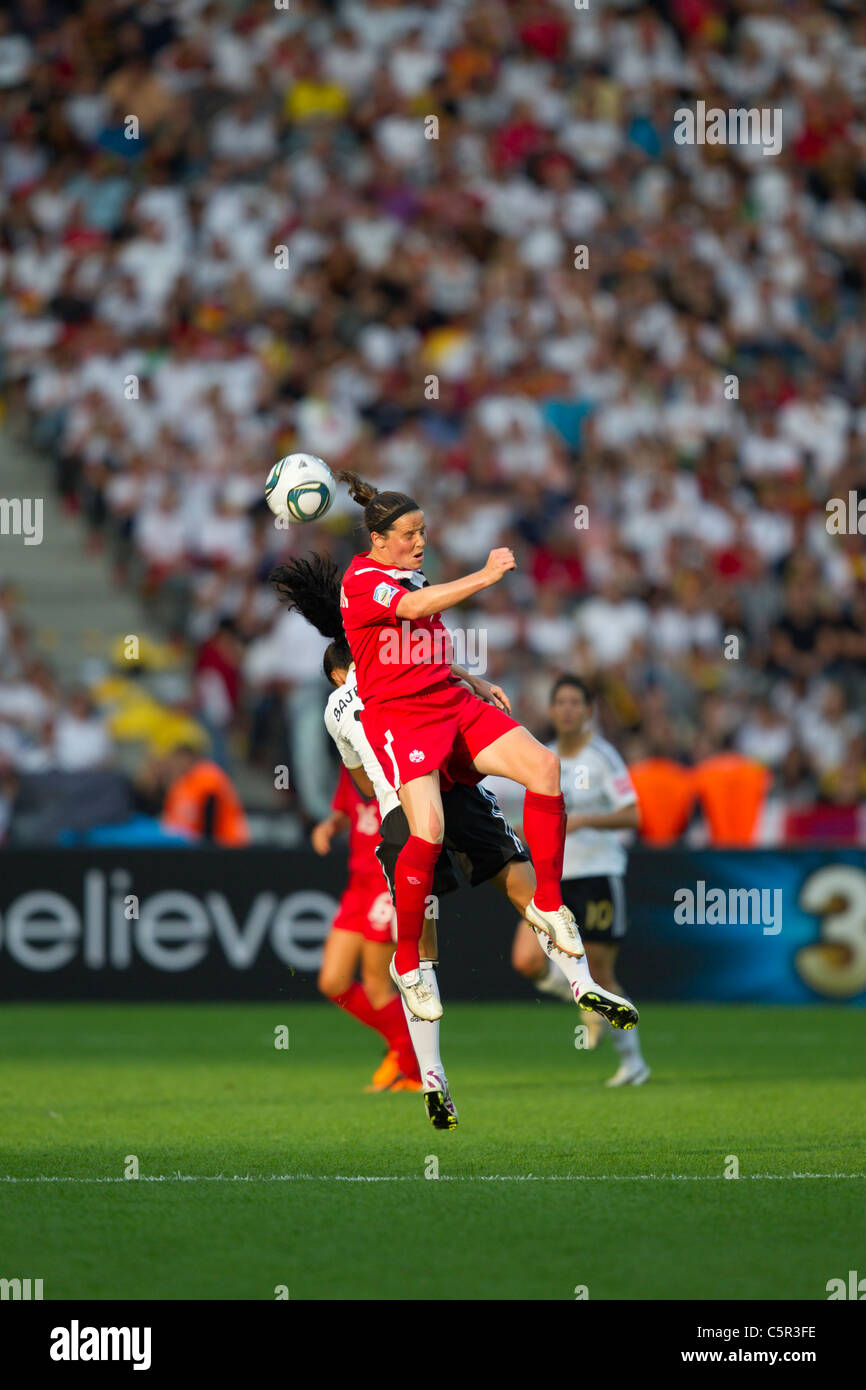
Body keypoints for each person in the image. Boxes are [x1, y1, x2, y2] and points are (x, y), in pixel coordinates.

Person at [270, 554, 638, 1127]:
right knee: (527, 890)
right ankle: (581, 981)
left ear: (336, 674)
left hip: (406, 815)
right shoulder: (395, 658)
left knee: (420, 952)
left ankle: (433, 1075)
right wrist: (473, 680)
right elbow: (432, 660)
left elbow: (367, 784)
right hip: (457, 790)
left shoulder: (336, 710)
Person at [336, 473, 638, 1032]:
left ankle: (549, 904)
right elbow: (413, 608)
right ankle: (408, 965)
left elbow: (413, 641)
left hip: (450, 702)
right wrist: (487, 574)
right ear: (378, 539)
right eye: (407, 534)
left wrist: (466, 676)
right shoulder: (362, 579)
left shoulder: (405, 571)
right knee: (425, 835)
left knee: (544, 767)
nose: (419, 541)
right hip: (402, 718)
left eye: (423, 531)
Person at [511, 677, 649, 1086]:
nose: (568, 709)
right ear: (551, 710)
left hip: (597, 873)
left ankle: (633, 1062)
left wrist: (586, 820)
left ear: (589, 711)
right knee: (526, 959)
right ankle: (586, 1004)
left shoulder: (603, 757)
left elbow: (633, 815)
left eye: (576, 702)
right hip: (552, 876)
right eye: (561, 702)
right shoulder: (543, 756)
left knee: (602, 972)